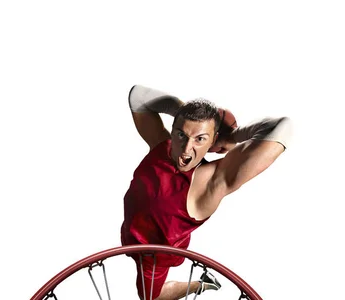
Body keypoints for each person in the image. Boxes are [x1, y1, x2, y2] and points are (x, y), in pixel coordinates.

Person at [120, 85, 292, 300]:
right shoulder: (162, 146)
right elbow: (138, 96)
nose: (185, 148)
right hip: (131, 234)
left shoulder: (213, 181)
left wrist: (235, 135)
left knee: (151, 298)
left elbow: (283, 127)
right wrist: (184, 113)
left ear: (212, 141)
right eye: (181, 135)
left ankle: (202, 284)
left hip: (155, 255)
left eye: (200, 139)